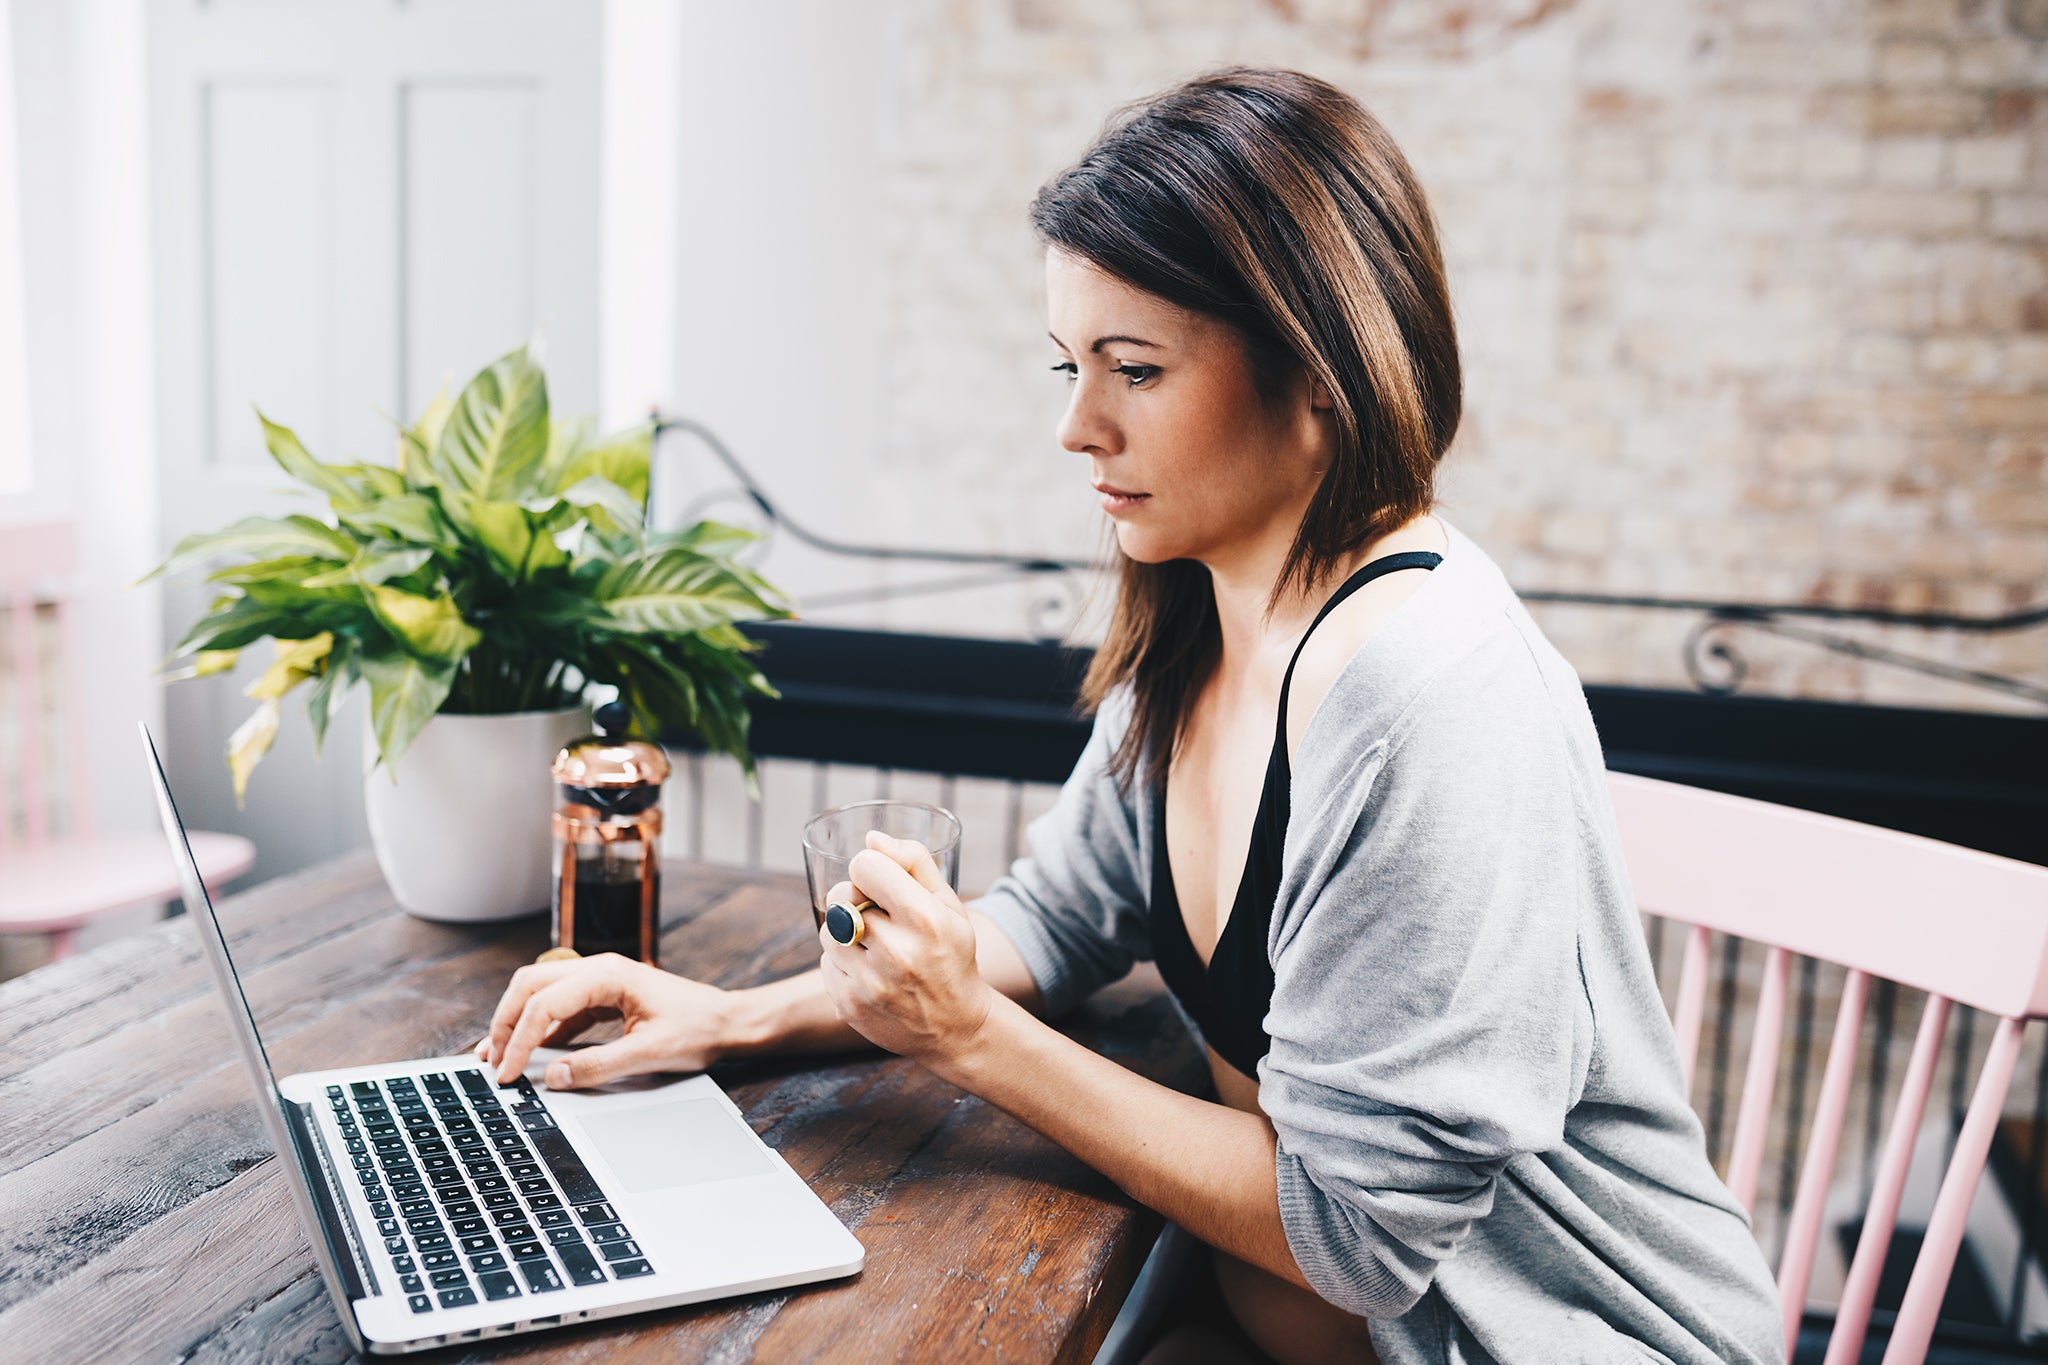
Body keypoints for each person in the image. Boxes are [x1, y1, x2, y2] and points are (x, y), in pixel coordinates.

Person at [480, 67, 1784, 1365]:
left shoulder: (1434, 699)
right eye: (1068, 364)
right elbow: (1052, 919)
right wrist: (724, 1016)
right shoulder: (1206, 616)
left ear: (1321, 371)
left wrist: (974, 1040)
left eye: (1135, 369)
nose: (1074, 425)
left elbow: (1361, 1235)